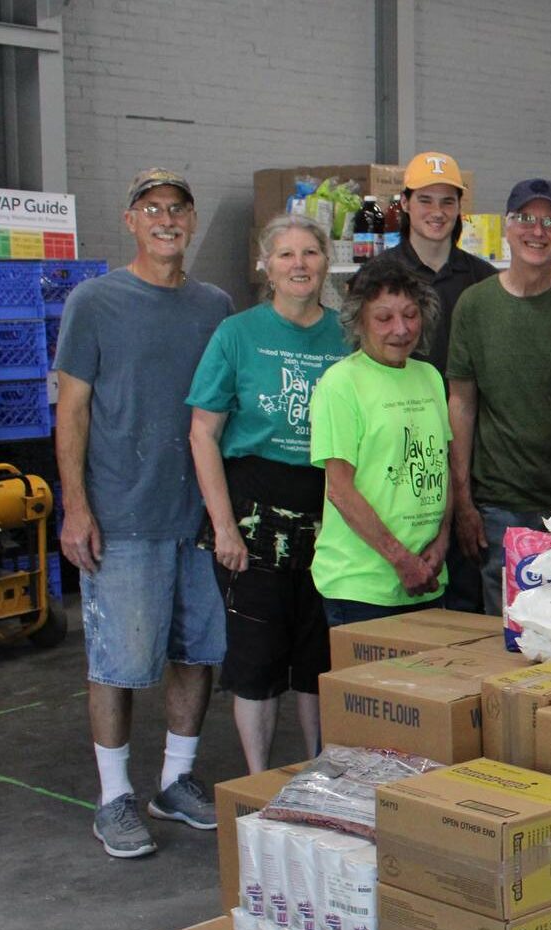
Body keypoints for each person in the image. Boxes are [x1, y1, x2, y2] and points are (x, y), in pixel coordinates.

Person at [55, 168, 233, 859]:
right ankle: (114, 797)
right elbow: (70, 410)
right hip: (121, 513)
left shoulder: (214, 305)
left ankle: (175, 782)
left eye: (178, 208)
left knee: (197, 651)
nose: (166, 219)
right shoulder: (94, 302)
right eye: (151, 208)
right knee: (118, 661)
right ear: (130, 221)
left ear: (190, 223)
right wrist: (76, 507)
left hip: (197, 515)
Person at [187, 213, 350, 774]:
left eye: (309, 253)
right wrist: (225, 526)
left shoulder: (347, 336)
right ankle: (258, 779)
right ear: (266, 266)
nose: (299, 264)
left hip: (328, 509)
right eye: (286, 255)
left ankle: (321, 772)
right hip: (252, 508)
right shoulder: (237, 334)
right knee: (256, 655)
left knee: (317, 653)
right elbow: (203, 433)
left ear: (326, 263)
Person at [447, 179, 551, 615]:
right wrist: (462, 500)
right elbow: (461, 402)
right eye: (525, 219)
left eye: (549, 222)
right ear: (507, 226)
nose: (536, 231)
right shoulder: (475, 306)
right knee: (507, 633)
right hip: (499, 504)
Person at [362, 150, 497, 613]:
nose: (436, 212)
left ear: (460, 207)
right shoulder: (378, 276)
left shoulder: (482, 280)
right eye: (425, 201)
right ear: (405, 204)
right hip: (396, 450)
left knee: (462, 584)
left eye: (447, 201)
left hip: (465, 448)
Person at [309, 260, 452, 625]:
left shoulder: (430, 376)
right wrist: (402, 560)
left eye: (410, 315)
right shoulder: (341, 384)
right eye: (384, 318)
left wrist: (442, 540)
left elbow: (440, 465)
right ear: (359, 323)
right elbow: (340, 491)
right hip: (361, 587)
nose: (401, 329)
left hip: (428, 577)